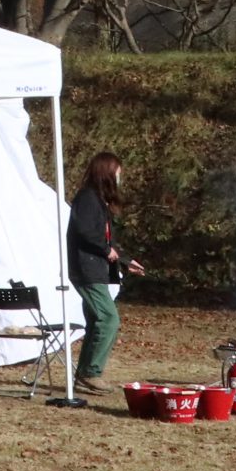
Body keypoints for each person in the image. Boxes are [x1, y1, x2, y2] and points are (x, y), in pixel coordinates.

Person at [69, 151, 144, 396]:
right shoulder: (88, 198)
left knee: (95, 322)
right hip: (86, 269)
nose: (120, 178)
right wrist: (106, 250)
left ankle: (84, 376)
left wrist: (124, 260)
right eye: (118, 173)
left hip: (95, 268)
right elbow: (86, 233)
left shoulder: (98, 200)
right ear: (107, 173)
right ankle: (92, 372)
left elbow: (106, 238)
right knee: (108, 319)